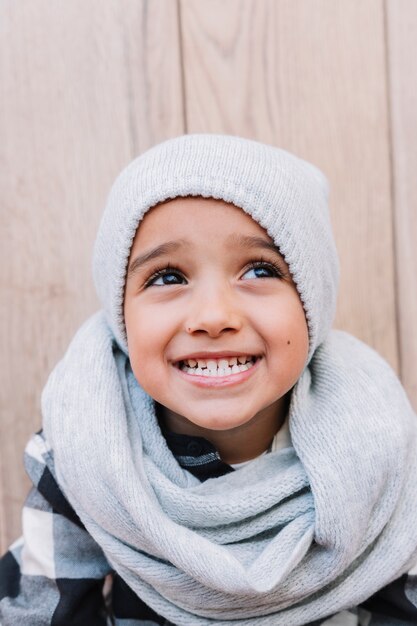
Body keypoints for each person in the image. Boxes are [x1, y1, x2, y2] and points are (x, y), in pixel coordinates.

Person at [1, 134, 417, 626]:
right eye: (168, 277)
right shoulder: (88, 446)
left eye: (260, 269)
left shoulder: (375, 441)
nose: (213, 316)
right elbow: (39, 609)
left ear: (314, 304)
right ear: (122, 318)